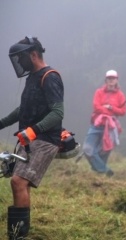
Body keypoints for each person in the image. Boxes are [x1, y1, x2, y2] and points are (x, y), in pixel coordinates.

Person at [0, 36, 64, 239]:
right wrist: (2, 123)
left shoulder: (50, 76)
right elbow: (24, 108)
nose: (18, 63)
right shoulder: (32, 78)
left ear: (33, 54)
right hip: (30, 139)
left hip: (45, 139)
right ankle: (17, 233)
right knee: (18, 183)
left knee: (18, 181)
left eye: (20, 58)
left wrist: (34, 130)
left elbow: (57, 113)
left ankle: (18, 235)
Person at [82, 70, 126, 177]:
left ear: (116, 80)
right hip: (96, 124)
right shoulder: (99, 92)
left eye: (113, 79)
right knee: (87, 149)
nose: (111, 81)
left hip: (111, 127)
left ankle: (98, 174)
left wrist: (110, 107)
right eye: (109, 79)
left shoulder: (120, 95)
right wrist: (110, 112)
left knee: (104, 150)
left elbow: (123, 111)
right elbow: (96, 107)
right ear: (105, 80)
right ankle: (105, 170)